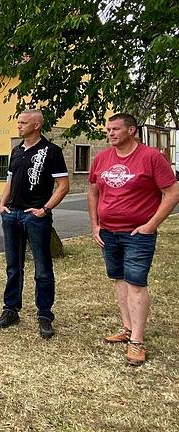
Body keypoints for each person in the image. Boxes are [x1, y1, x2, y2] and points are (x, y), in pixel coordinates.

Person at [88, 113, 179, 366]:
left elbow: (172, 193)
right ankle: (127, 328)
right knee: (118, 279)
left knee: (136, 283)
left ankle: (137, 341)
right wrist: (95, 224)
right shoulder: (101, 158)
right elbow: (93, 192)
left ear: (131, 130)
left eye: (116, 129)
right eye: (108, 129)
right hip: (108, 232)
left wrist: (150, 225)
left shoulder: (151, 157)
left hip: (137, 233)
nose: (110, 133)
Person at [0, 109, 69, 339]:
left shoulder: (52, 151)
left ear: (36, 125)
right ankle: (11, 310)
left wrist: (45, 210)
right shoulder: (16, 151)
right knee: (13, 266)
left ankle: (45, 315)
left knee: (43, 269)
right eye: (18, 122)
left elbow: (63, 186)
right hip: (12, 215)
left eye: (23, 122)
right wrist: (2, 204)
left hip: (35, 217)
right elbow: (10, 180)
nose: (19, 126)